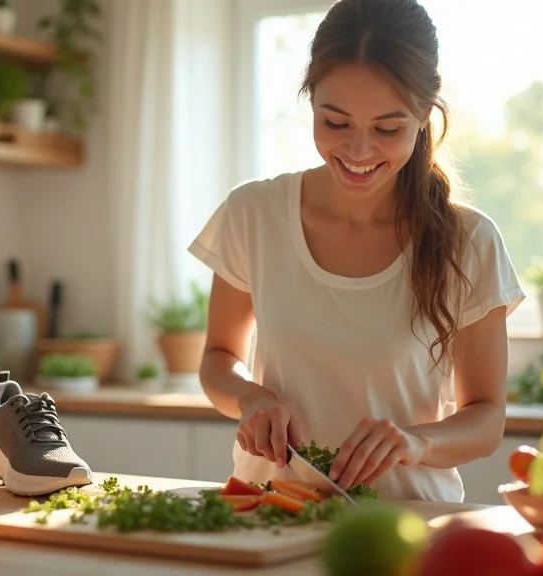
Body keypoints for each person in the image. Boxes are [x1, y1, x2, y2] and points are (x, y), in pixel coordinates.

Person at [187, 0, 525, 503]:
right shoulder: (254, 213)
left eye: (388, 129)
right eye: (336, 122)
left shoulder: (468, 241)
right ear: (311, 101)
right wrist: (250, 397)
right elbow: (218, 360)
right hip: (271, 511)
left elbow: (485, 419)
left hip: (408, 523)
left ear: (425, 116)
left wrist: (416, 441)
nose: (359, 152)